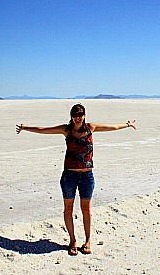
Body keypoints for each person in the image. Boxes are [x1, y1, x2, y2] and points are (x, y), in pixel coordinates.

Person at [16, 103, 136, 256]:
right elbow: (43, 130)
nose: (78, 117)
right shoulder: (66, 130)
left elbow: (111, 127)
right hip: (69, 177)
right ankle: (72, 241)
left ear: (84, 115)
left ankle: (87, 241)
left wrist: (127, 124)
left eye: (80, 114)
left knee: (86, 209)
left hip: (87, 176)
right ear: (71, 117)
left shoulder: (90, 128)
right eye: (75, 115)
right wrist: (25, 128)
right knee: (68, 209)